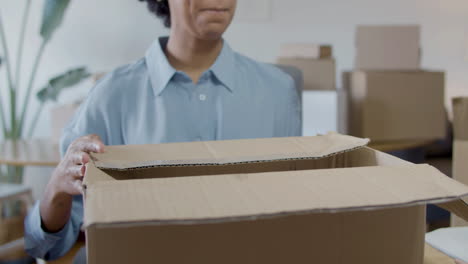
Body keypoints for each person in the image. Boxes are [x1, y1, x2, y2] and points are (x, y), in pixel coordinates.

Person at [24, 0, 301, 262]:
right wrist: (57, 188)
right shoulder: (111, 96)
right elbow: (46, 246)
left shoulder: (278, 92)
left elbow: (297, 215)